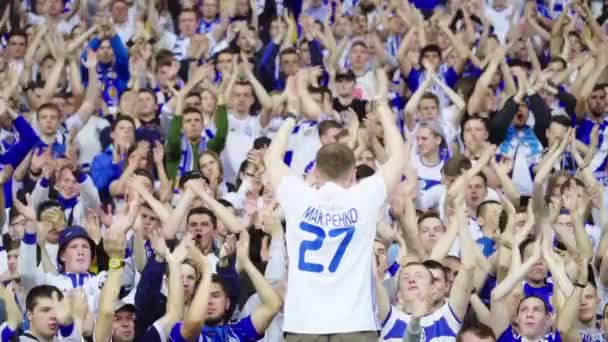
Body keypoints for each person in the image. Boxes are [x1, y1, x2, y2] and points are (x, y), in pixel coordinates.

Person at [264, 98, 406, 339]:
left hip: (303, 324)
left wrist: (290, 118)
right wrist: (382, 110)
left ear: (316, 172)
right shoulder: (365, 197)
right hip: (354, 323)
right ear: (353, 174)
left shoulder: (298, 196)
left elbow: (270, 159)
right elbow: (399, 156)